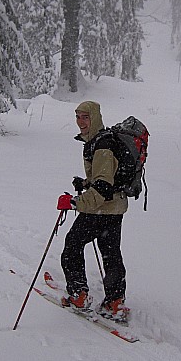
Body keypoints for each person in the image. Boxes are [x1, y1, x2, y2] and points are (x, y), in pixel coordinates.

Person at [57, 101, 129, 322]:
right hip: (115, 209)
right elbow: (105, 177)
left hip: (101, 209)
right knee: (110, 253)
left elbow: (103, 188)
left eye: (85, 117)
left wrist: (75, 203)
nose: (80, 122)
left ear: (95, 118)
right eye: (78, 117)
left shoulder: (103, 146)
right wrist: (86, 182)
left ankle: (79, 295)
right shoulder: (100, 141)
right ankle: (114, 302)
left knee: (72, 246)